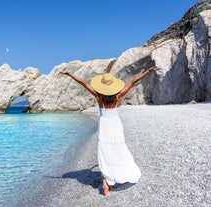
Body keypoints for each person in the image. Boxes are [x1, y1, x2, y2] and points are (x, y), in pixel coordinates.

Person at [60, 67, 158, 196]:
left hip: (105, 126)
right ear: (113, 86)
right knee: (119, 150)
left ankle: (106, 180)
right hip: (115, 126)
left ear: (102, 86)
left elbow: (83, 83)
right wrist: (147, 71)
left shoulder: (98, 97)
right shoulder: (119, 96)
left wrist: (71, 74)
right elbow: (133, 81)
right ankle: (111, 178)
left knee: (105, 152)